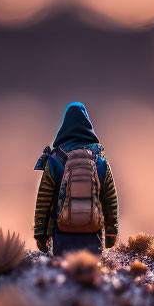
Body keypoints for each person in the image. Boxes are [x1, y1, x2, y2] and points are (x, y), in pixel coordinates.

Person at [33, 102, 118, 255]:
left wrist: (40, 234)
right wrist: (111, 232)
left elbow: (44, 200)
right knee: (91, 274)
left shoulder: (55, 160)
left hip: (62, 233)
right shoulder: (100, 161)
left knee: (62, 274)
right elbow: (110, 200)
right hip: (93, 232)